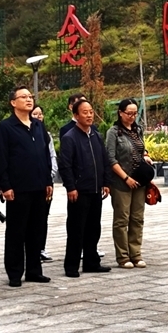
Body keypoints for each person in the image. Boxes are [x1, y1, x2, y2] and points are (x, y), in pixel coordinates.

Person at [0, 87, 54, 287]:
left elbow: (45, 154)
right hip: (18, 188)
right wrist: (5, 185)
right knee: (16, 232)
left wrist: (48, 181)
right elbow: (0, 158)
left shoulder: (38, 125)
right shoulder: (5, 127)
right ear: (13, 102)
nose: (29, 100)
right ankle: (14, 273)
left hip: (39, 186)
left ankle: (34, 271)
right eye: (24, 97)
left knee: (36, 231)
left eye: (30, 97)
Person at [58, 98, 112, 278]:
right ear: (76, 115)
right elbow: (65, 165)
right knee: (76, 229)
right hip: (79, 191)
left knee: (93, 228)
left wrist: (106, 182)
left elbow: (104, 160)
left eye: (91, 112)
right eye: (85, 112)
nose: (89, 115)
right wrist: (70, 187)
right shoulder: (70, 137)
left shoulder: (96, 135)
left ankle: (91, 262)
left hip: (96, 189)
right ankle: (71, 266)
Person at [106, 98, 154, 269]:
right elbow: (111, 159)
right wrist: (126, 178)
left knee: (137, 218)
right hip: (121, 182)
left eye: (135, 113)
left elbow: (141, 149)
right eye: (129, 113)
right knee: (122, 219)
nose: (132, 116)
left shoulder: (137, 129)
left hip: (139, 180)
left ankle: (136, 254)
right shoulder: (113, 132)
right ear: (120, 113)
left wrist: (146, 156)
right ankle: (123, 256)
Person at [32, 104, 58, 262]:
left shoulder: (46, 134)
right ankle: (30, 249)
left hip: (47, 181)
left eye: (40, 114)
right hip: (32, 183)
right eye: (35, 114)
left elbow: (52, 155)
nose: (38, 117)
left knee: (43, 216)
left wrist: (51, 174)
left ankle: (41, 248)